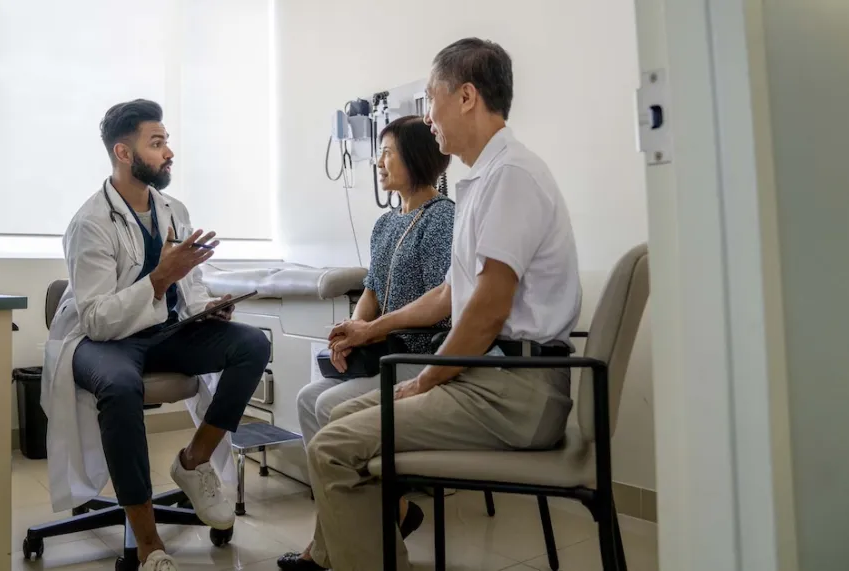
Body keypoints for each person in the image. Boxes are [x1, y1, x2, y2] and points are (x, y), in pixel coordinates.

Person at [278, 38, 581, 571]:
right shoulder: (485, 180)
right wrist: (369, 332)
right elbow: (450, 294)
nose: (428, 115)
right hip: (490, 377)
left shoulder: (511, 177)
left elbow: (485, 311)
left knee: (333, 446)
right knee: (335, 422)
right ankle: (341, 557)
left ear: (466, 97)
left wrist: (426, 379)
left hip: (512, 390)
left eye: (431, 97)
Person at [41, 99, 271, 571]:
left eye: (167, 141)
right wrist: (161, 277)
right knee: (121, 387)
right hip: (99, 342)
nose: (169, 152)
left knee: (252, 344)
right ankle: (149, 544)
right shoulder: (90, 224)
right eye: (157, 142)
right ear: (124, 153)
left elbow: (190, 291)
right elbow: (99, 321)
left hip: (165, 331)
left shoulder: (173, 210)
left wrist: (209, 309)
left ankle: (193, 461)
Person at [289, 115, 453, 561]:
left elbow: (444, 300)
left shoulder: (442, 218)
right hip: (383, 354)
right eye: (379, 153)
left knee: (329, 406)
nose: (379, 163)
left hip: (422, 357)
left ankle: (330, 546)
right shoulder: (385, 224)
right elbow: (373, 292)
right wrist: (351, 335)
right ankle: (387, 510)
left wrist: (371, 330)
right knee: (307, 399)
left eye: (388, 153)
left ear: (418, 158)